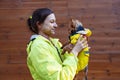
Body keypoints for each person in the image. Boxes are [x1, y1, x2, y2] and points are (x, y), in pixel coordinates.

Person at [26, 8, 88, 80]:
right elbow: (58, 77)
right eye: (52, 22)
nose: (56, 25)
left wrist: (73, 51)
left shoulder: (55, 43)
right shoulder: (38, 47)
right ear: (39, 24)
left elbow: (70, 69)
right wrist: (75, 52)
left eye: (55, 22)